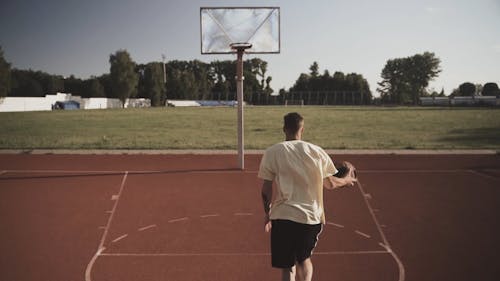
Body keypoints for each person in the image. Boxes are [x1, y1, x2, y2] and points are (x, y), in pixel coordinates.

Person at [258, 112, 357, 281]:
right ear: (302, 129)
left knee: (287, 267)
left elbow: (266, 188)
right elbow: (330, 183)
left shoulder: (272, 152)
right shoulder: (316, 151)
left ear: (284, 129)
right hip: (310, 216)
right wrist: (347, 180)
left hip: (283, 216)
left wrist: (267, 212)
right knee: (303, 260)